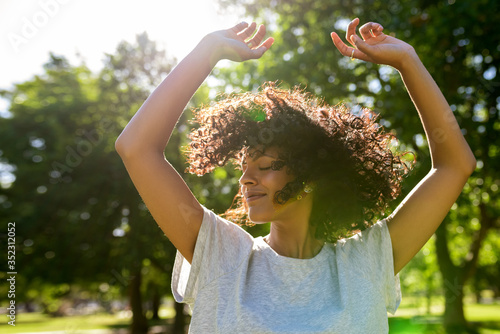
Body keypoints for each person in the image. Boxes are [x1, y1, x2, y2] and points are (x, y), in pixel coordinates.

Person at [115, 18, 476, 333]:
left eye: (264, 165)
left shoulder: (366, 262)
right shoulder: (221, 255)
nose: (245, 179)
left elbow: (454, 166)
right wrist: (207, 51)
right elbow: (136, 148)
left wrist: (407, 61)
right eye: (243, 168)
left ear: (312, 174)